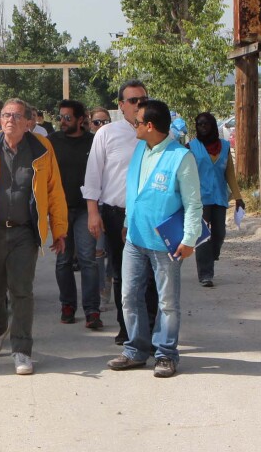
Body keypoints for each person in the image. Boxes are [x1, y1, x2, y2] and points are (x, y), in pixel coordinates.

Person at [0, 98, 68, 375]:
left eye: (16, 116)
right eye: (5, 115)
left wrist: (59, 230)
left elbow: (54, 190)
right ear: (0, 120)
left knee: (22, 291)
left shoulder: (41, 148)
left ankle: (22, 350)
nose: (10, 120)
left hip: (25, 232)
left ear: (28, 122)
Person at [106, 101, 202, 379]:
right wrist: (127, 222)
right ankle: (136, 349)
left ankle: (166, 354)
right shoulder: (140, 149)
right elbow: (134, 190)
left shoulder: (180, 157)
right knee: (129, 296)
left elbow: (194, 203)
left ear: (150, 126)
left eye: (136, 122)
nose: (133, 126)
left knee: (167, 302)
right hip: (136, 238)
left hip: (165, 244)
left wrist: (189, 239)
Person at [82, 80, 158, 345]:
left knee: (151, 274)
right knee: (122, 274)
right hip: (116, 214)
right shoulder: (107, 133)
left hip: (150, 215)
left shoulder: (157, 132)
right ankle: (127, 328)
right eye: (134, 100)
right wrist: (93, 213)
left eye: (143, 99)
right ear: (121, 105)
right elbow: (93, 175)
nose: (139, 105)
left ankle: (149, 329)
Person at [49, 99, 104, 329]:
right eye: (60, 117)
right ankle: (67, 305)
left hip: (85, 209)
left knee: (87, 259)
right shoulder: (52, 142)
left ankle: (92, 310)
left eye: (68, 117)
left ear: (81, 120)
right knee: (63, 260)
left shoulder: (93, 143)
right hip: (60, 211)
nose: (62, 121)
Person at [188, 112, 245, 287]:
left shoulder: (225, 146)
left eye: (206, 124)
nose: (203, 128)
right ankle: (206, 274)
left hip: (219, 196)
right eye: (200, 124)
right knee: (203, 236)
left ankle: (211, 255)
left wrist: (238, 197)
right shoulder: (191, 147)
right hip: (199, 198)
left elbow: (230, 174)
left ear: (213, 126)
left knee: (219, 233)